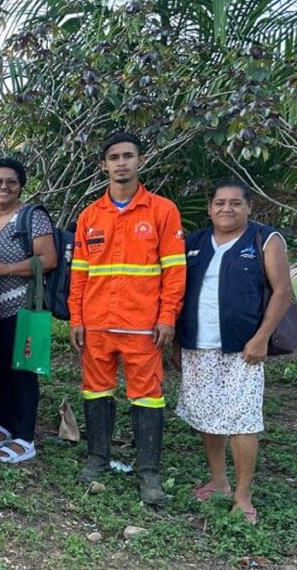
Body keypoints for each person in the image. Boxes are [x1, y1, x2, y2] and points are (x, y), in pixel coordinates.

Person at [69, 132, 185, 505]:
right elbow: (80, 274)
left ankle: (148, 471)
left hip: (143, 325)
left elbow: (175, 271)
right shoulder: (90, 215)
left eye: (128, 156)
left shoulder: (162, 211)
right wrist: (76, 318)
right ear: (104, 165)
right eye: (114, 157)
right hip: (98, 323)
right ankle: (98, 457)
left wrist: (167, 316)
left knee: (148, 397)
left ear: (141, 161)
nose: (121, 163)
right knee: (95, 390)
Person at [175, 179, 291, 523]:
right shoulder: (195, 242)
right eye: (220, 203)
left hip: (243, 348)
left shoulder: (264, 239)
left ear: (248, 207)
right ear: (210, 208)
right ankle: (218, 481)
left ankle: (243, 495)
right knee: (206, 414)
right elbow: (181, 293)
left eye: (235, 203)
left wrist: (261, 338)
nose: (227, 209)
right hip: (199, 343)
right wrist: (180, 341)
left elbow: (283, 292)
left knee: (242, 419)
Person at [0, 157, 56, 465]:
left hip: (24, 307)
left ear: (21, 186)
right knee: (2, 370)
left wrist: (4, 267)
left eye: (11, 182)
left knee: (23, 373)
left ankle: (25, 437)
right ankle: (6, 427)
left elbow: (47, 259)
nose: (3, 187)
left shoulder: (32, 217)